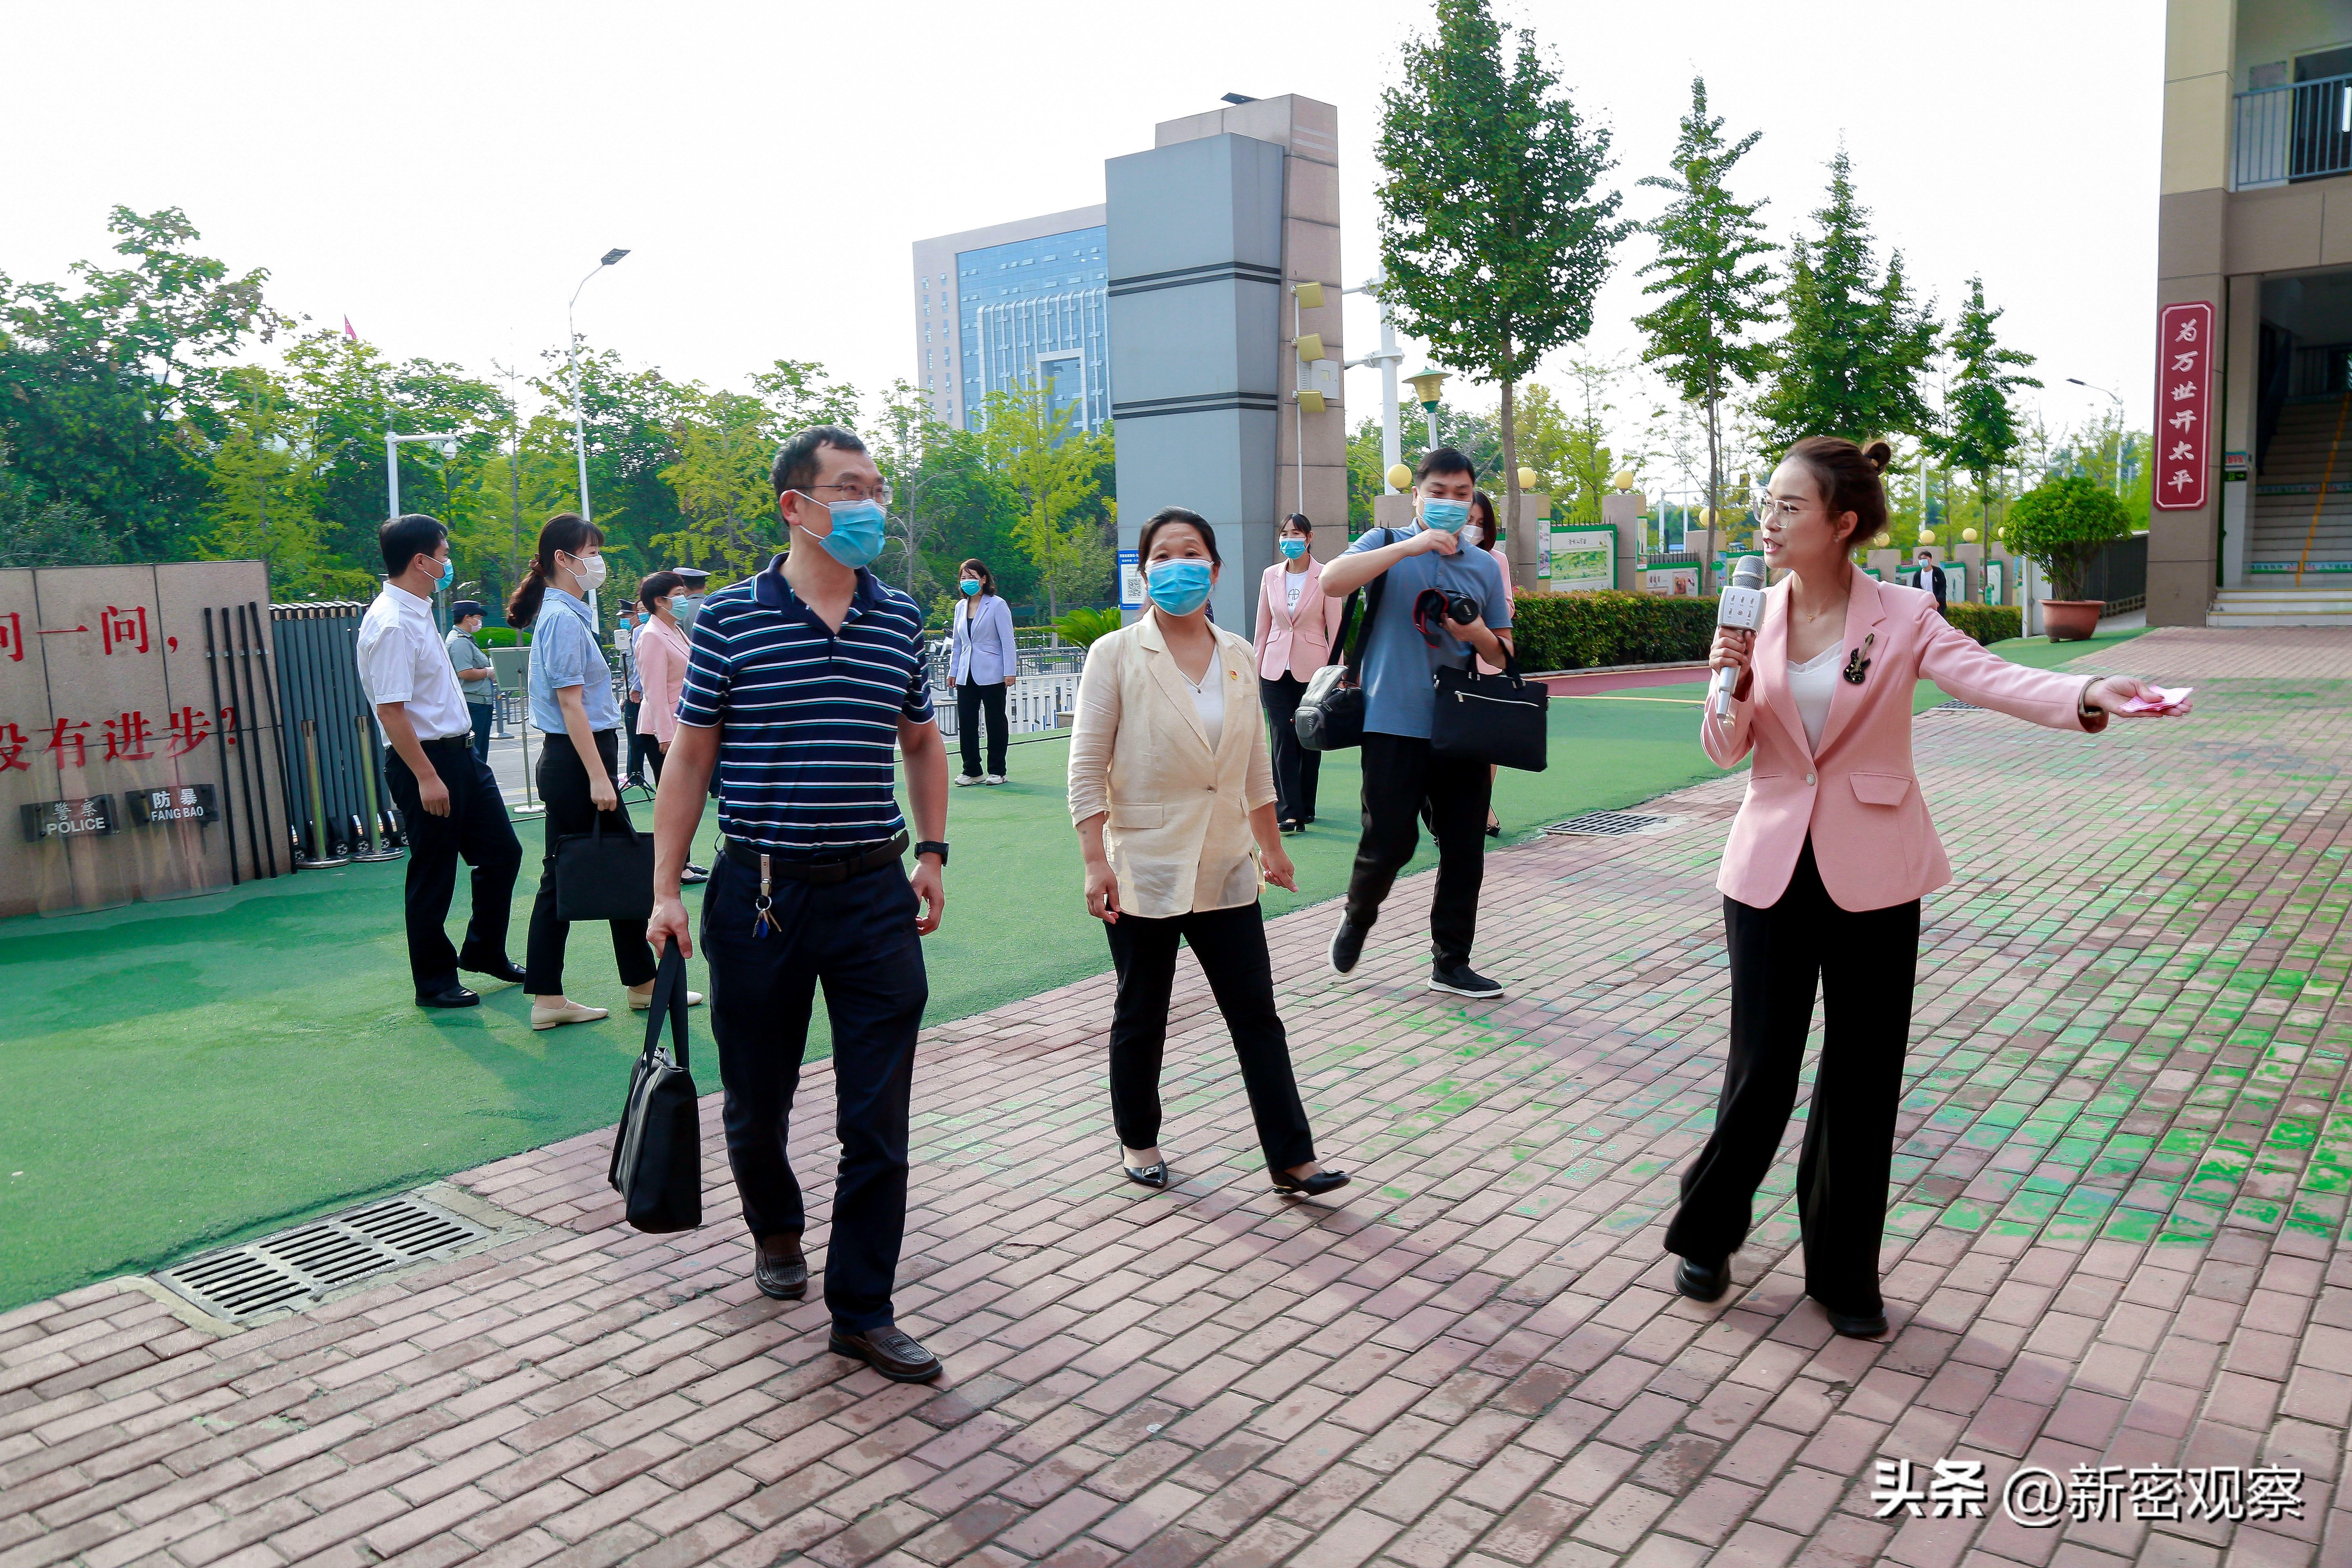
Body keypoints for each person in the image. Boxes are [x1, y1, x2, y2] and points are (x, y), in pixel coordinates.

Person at [1664, 436, 2183, 1339]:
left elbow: (1988, 676)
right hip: (1768, 871)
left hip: (1876, 870)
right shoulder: (1751, 616)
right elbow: (1723, 752)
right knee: (1761, 1071)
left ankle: (1842, 1271)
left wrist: (2090, 688)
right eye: (1767, 503)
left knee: (1865, 1077)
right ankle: (1708, 1232)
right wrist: (1730, 682)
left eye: (1790, 507)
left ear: (1844, 523)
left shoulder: (1903, 614)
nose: (1769, 520)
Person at [647, 424, 952, 1385]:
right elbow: (690, 755)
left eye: (874, 489)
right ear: (796, 504)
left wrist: (933, 851)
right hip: (759, 893)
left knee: (876, 1117)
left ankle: (861, 1308)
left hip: (871, 891)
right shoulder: (731, 620)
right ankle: (774, 1225)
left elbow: (921, 740)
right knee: (758, 1095)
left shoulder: (899, 616)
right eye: (848, 489)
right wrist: (664, 885)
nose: (868, 506)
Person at [1069, 507, 1348, 1198]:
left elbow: (1255, 765)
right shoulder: (1115, 655)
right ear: (1144, 572)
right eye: (1160, 556)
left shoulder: (1237, 654)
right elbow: (1085, 767)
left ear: (1215, 569)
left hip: (1225, 862)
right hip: (1146, 864)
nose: (1175, 566)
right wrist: (1094, 860)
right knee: (1143, 1012)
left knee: (1256, 1014)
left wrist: (1272, 847)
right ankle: (1139, 1139)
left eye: (1190, 553)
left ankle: (1292, 1157)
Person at [1316, 447, 1516, 998]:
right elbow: (1332, 582)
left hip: (1460, 728)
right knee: (1389, 842)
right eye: (1439, 493)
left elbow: (1503, 655)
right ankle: (1359, 915)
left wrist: (1474, 634)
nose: (1451, 504)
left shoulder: (1484, 566)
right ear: (1417, 496)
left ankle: (1451, 961)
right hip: (1390, 721)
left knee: (1463, 848)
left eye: (1461, 495)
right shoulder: (1383, 545)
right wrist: (1413, 545)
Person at [509, 514, 695, 1032]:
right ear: (563, 560)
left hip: (575, 760)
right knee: (588, 870)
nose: (598, 562)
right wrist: (598, 776)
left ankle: (625, 984)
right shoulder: (563, 618)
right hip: (576, 761)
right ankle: (606, 987)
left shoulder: (562, 612)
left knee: (591, 868)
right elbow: (571, 705)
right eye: (591, 552)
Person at [355, 516, 524, 1009]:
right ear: (421, 561)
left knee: (502, 854)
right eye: (444, 555)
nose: (448, 564)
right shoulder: (390, 622)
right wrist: (426, 777)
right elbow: (391, 710)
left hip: (461, 755)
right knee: (434, 873)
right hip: (426, 763)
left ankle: (484, 951)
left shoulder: (417, 610)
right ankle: (433, 981)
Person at [1252, 513, 1344, 835]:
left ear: (1309, 537)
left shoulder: (1326, 576)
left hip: (1314, 670)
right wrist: (1255, 667)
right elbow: (1262, 629)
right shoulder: (1270, 576)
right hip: (1274, 669)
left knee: (1308, 739)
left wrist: (1336, 673)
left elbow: (1336, 629)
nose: (1289, 539)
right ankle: (1288, 811)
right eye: (1285, 533)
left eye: (1296, 533)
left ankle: (1306, 804)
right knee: (1282, 737)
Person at [631, 571, 708, 884]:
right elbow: (654, 691)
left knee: (685, 798)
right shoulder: (651, 635)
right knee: (674, 801)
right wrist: (666, 736)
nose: (683, 599)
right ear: (659, 601)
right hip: (663, 732)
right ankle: (674, 866)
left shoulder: (674, 631)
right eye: (677, 593)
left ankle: (684, 862)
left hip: (680, 727)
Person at [1464, 491, 1515, 838]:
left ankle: (1482, 806)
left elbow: (1508, 607)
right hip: (1445, 667)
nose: (1474, 530)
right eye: (1469, 520)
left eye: (1481, 524)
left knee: (1485, 746)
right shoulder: (1437, 554)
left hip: (1486, 663)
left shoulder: (1495, 560)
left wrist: (1479, 616)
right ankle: (1453, 813)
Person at [948, 557, 1018, 786]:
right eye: (964, 578)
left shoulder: (997, 604)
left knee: (995, 720)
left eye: (972, 577)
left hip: (992, 672)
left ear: (984, 579)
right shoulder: (960, 607)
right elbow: (958, 643)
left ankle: (997, 770)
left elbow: (1008, 641)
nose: (967, 582)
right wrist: (953, 671)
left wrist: (1010, 671)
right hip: (965, 673)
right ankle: (972, 770)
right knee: (967, 722)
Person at [443, 600, 499, 764]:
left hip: (478, 703)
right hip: (473, 704)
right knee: (476, 755)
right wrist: (488, 672)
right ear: (467, 618)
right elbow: (465, 672)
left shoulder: (465, 639)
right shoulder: (460, 641)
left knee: (478, 753)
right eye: (477, 617)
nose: (480, 622)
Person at [615, 601, 651, 790]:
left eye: (626, 617)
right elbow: (627, 671)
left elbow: (639, 667)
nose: (623, 621)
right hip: (632, 693)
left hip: (639, 695)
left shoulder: (641, 632)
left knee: (637, 737)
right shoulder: (629, 635)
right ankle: (634, 774)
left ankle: (635, 775)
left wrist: (635, 689)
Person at [1915, 548, 1949, 615]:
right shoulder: (1917, 575)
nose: (1922, 561)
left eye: (1925, 558)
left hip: (1937, 605)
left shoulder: (1938, 573)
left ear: (1930, 560)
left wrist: (1938, 602)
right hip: (1923, 605)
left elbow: (1942, 589)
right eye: (1920, 559)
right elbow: (1916, 590)